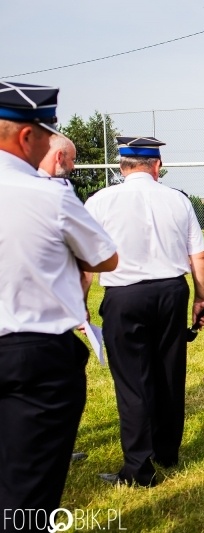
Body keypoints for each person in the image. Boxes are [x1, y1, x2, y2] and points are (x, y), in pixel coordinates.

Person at [0, 81, 118, 516]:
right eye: (47, 134)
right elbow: (106, 257)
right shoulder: (49, 195)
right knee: (28, 491)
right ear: (26, 135)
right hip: (34, 354)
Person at [84, 136, 204, 487]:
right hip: (171, 293)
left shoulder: (100, 201)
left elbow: (86, 262)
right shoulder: (177, 200)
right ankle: (167, 451)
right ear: (157, 166)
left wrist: (79, 305)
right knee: (169, 372)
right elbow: (199, 256)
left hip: (124, 295)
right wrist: (201, 299)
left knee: (132, 381)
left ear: (121, 166)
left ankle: (139, 468)